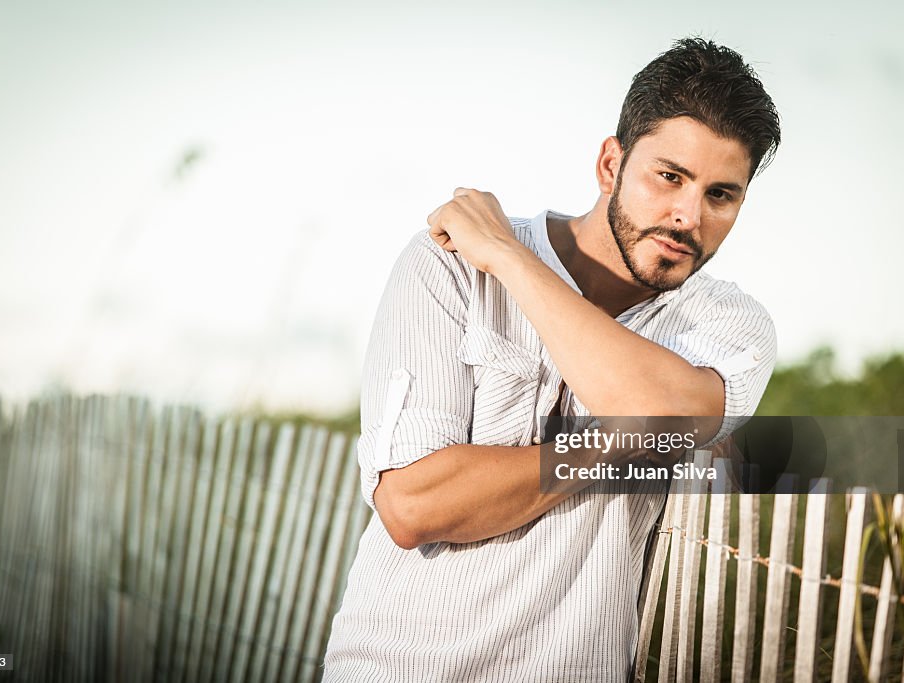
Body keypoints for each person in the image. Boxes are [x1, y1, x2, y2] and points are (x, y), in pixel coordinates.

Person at [323, 37, 781, 682]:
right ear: (609, 164)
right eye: (669, 177)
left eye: (721, 195)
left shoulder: (730, 326)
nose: (687, 216)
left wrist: (512, 260)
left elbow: (660, 411)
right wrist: (625, 441)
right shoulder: (449, 263)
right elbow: (415, 505)